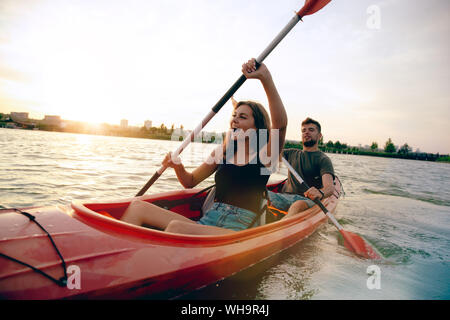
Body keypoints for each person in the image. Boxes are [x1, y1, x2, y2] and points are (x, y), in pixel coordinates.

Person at [121, 58, 287, 235]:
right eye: (234, 115)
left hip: (239, 230)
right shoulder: (223, 152)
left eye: (243, 117)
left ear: (258, 126)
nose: (235, 119)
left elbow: (280, 124)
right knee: (137, 206)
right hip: (208, 221)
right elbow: (189, 182)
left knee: (176, 228)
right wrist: (178, 166)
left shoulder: (266, 154)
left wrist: (265, 78)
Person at [268, 117, 335, 218]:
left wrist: (320, 193)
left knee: (298, 205)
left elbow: (329, 188)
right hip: (284, 197)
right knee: (259, 193)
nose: (306, 132)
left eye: (311, 130)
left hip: (306, 200)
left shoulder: (323, 159)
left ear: (320, 136)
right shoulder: (289, 153)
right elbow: (268, 152)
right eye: (304, 130)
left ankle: (279, 229)